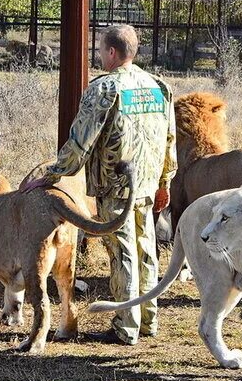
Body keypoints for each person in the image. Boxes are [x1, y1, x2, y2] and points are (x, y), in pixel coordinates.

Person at [22, 24, 177, 346]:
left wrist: (51, 175)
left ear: (110, 52)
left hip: (114, 186)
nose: (97, 55)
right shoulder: (158, 86)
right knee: (146, 251)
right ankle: (147, 320)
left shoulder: (105, 88)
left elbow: (81, 141)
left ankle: (126, 326)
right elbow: (169, 141)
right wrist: (165, 181)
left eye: (99, 49)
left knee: (123, 254)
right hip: (147, 185)